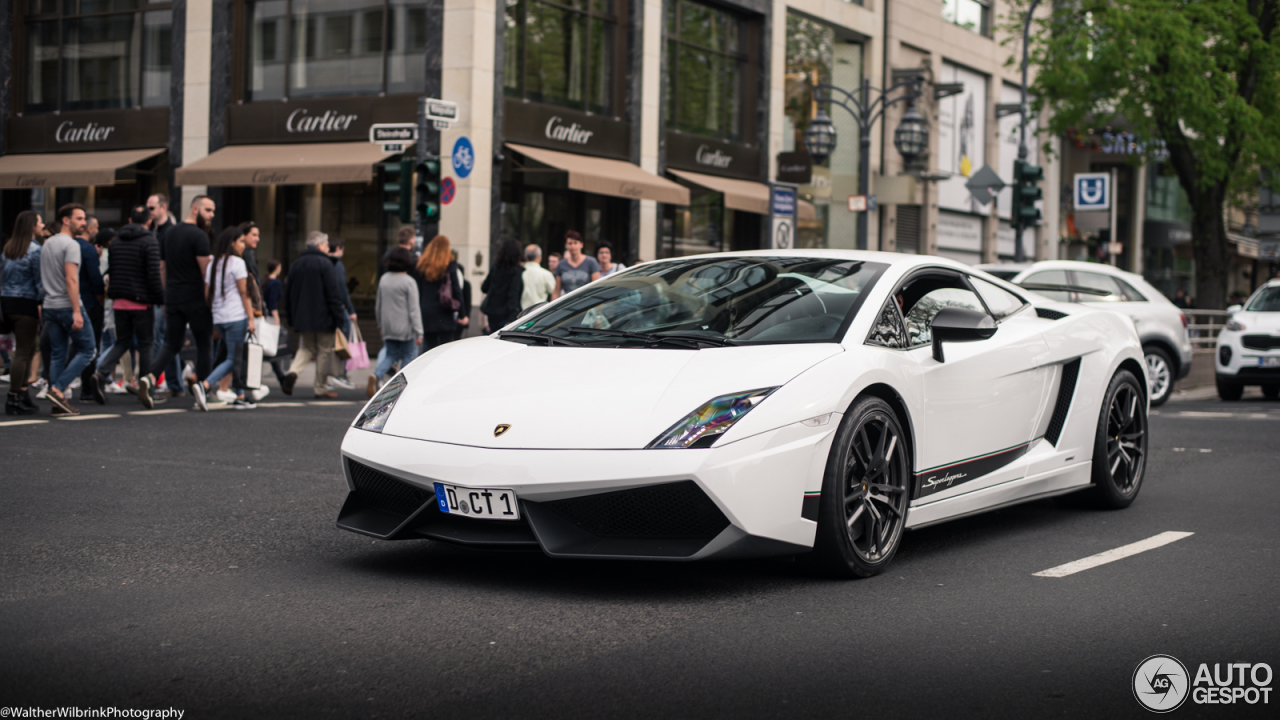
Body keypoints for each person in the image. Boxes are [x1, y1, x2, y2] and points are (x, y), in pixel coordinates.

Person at [141, 195, 216, 411]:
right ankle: (203, 389)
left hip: (173, 297)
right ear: (195, 209)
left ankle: (149, 378)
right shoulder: (199, 236)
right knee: (204, 343)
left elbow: (162, 268)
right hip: (195, 298)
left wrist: (165, 297)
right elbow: (205, 273)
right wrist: (209, 299)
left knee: (171, 343)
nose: (211, 215)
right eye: (208, 210)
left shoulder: (169, 232)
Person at [94, 206, 163, 408]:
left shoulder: (116, 243)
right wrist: (160, 298)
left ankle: (101, 372)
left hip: (119, 301)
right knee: (146, 344)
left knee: (121, 342)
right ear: (149, 222)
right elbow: (153, 275)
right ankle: (145, 385)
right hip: (141, 302)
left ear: (130, 219)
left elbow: (112, 271)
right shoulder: (149, 241)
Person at [40, 204, 96, 416]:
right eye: (79, 219)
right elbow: (71, 279)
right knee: (88, 349)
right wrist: (77, 311)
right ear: (65, 220)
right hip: (67, 305)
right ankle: (58, 388)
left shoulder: (48, 243)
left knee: (57, 354)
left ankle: (58, 402)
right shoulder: (71, 245)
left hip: (50, 306)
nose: (84, 223)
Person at [281, 231, 347, 398]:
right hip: (324, 317)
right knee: (324, 351)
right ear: (319, 245)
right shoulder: (325, 264)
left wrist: (290, 316)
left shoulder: (296, 264)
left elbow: (288, 293)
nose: (327, 248)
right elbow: (333, 293)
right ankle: (320, 387)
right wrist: (339, 317)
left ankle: (293, 372)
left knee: (305, 348)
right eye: (326, 245)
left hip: (302, 317)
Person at [197, 227, 257, 410]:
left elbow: (207, 293)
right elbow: (243, 292)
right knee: (233, 357)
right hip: (235, 316)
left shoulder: (214, 263)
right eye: (240, 241)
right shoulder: (237, 263)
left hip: (219, 317)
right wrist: (251, 318)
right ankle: (205, 385)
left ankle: (240, 395)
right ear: (232, 243)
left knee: (234, 355)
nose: (243, 245)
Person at [1, 211, 45, 415]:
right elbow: (39, 281)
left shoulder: (8, 248)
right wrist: (42, 302)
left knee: (22, 351)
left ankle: (20, 394)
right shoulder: (35, 249)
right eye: (39, 221)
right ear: (31, 226)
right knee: (24, 351)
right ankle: (14, 397)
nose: (42, 224)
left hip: (7, 301)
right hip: (26, 302)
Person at [370, 248, 423, 397]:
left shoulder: (384, 279)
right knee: (408, 356)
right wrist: (419, 331)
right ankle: (401, 388)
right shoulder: (409, 282)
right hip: (405, 329)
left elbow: (378, 305)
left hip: (388, 327)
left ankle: (377, 375)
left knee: (390, 355)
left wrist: (381, 325)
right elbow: (414, 309)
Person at [74, 217, 107, 404]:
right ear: (88, 228)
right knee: (89, 347)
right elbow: (95, 279)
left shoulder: (71, 246)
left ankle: (57, 383)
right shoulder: (87, 249)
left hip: (70, 302)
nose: (97, 230)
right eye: (96, 227)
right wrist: (100, 299)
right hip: (89, 303)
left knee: (69, 346)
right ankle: (86, 389)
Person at [415, 235, 464, 352]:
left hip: (426, 311)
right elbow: (456, 288)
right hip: (444, 310)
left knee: (430, 349)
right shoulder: (450, 264)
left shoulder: (422, 265)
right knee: (445, 350)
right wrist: (462, 314)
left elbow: (418, 290)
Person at [325, 237, 359, 391]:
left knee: (328, 345)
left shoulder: (323, 262)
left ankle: (328, 376)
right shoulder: (337, 264)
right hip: (339, 308)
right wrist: (350, 310)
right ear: (338, 248)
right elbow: (342, 290)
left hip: (325, 309)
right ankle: (340, 374)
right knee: (342, 344)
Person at [481, 239, 525, 332]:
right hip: (507, 315)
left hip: (492, 313)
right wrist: (513, 318)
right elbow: (513, 295)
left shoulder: (495, 268)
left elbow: (484, 287)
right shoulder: (516, 271)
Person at [261, 259, 291, 387]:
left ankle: (280, 375)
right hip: (271, 317)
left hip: (263, 317)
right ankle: (281, 375)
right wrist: (276, 319)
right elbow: (273, 303)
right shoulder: (275, 283)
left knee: (266, 345)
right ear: (277, 268)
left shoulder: (264, 281)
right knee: (274, 346)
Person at [552, 231, 599, 299]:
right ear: (566, 245)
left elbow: (597, 288)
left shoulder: (591, 262)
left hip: (587, 304)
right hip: (568, 305)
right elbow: (556, 292)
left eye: (575, 243)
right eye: (570, 243)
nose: (573, 246)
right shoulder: (561, 264)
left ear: (581, 244)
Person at [521, 244, 556, 310]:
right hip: (540, 313)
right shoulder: (546, 274)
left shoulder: (520, 273)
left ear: (525, 257)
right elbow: (554, 293)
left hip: (522, 315)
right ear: (540, 257)